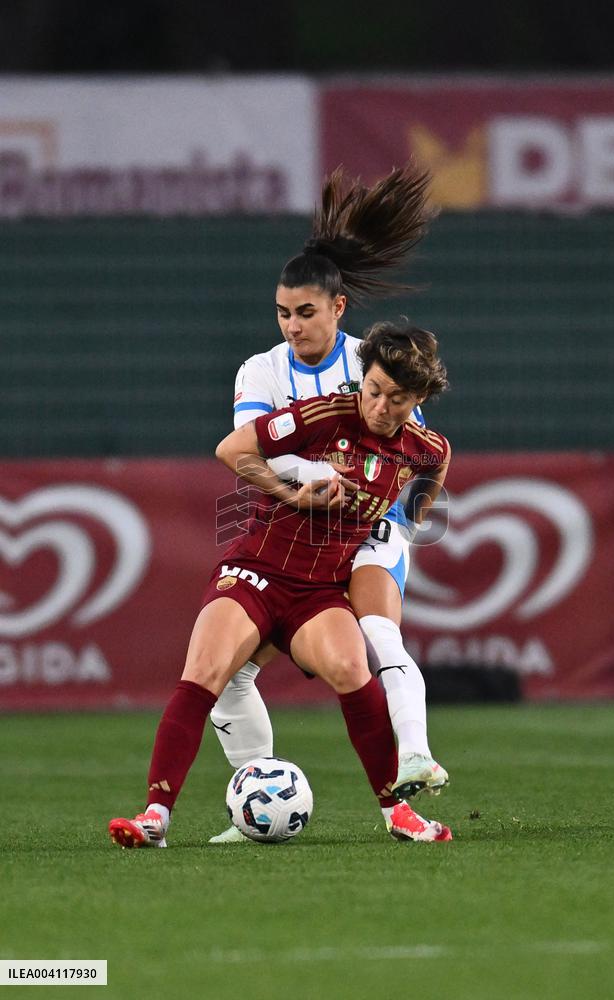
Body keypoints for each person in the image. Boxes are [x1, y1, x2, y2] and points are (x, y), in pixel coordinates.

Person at [108, 321, 453, 848]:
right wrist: (291, 493)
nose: (380, 406)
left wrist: (390, 532)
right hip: (256, 571)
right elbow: (233, 449)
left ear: (419, 399)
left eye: (398, 399)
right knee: (206, 672)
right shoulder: (322, 414)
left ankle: (397, 812)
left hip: (321, 591)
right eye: (374, 389)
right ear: (363, 378)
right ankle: (155, 817)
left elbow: (423, 497)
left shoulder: (427, 450)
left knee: (353, 669)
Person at [208, 164, 450, 844]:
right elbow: (251, 452)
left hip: (366, 533)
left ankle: (411, 776)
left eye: (305, 312)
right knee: (227, 676)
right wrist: (307, 484)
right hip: (298, 534)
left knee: (375, 640)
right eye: (283, 313)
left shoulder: (376, 365)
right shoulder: (260, 370)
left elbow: (417, 449)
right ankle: (256, 801)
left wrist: (402, 521)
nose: (293, 326)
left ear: (338, 309)